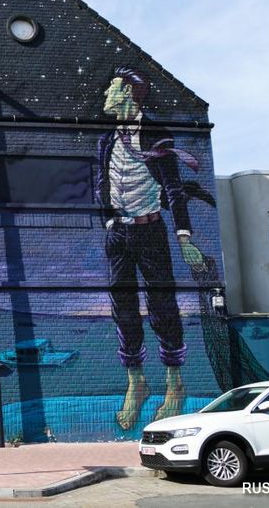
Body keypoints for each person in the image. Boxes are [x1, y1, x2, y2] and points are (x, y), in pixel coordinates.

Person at [96, 67, 205, 429]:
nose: (106, 94)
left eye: (112, 88)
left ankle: (175, 386)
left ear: (128, 93)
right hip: (118, 235)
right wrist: (109, 221)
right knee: (123, 308)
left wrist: (184, 237)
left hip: (150, 231)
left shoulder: (157, 134)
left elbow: (173, 188)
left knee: (162, 306)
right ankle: (137, 383)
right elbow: (101, 183)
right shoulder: (106, 140)